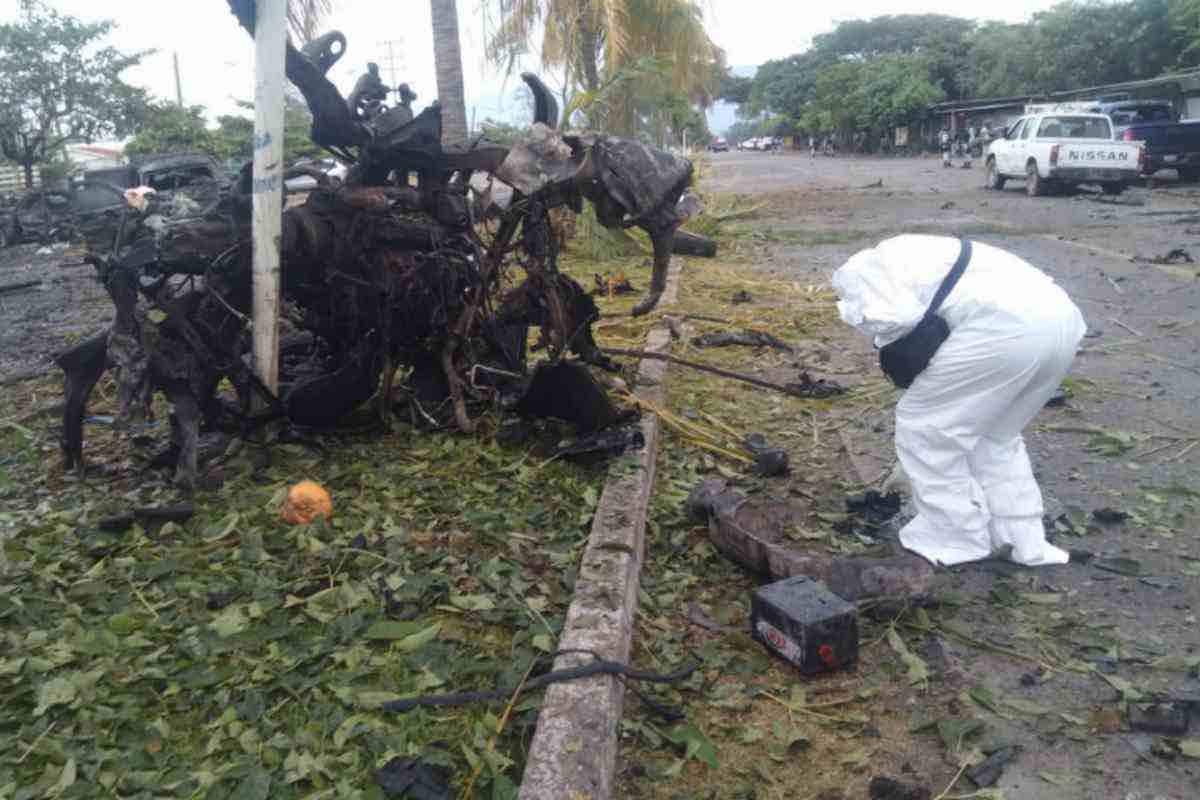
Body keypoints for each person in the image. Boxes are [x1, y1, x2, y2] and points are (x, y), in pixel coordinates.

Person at [832, 235, 1087, 567]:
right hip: (1062, 325)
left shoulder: (863, 271)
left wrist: (893, 351)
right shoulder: (923, 252)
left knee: (926, 428)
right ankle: (1021, 541)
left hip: (1005, 331)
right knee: (995, 437)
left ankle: (954, 538)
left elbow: (890, 317)